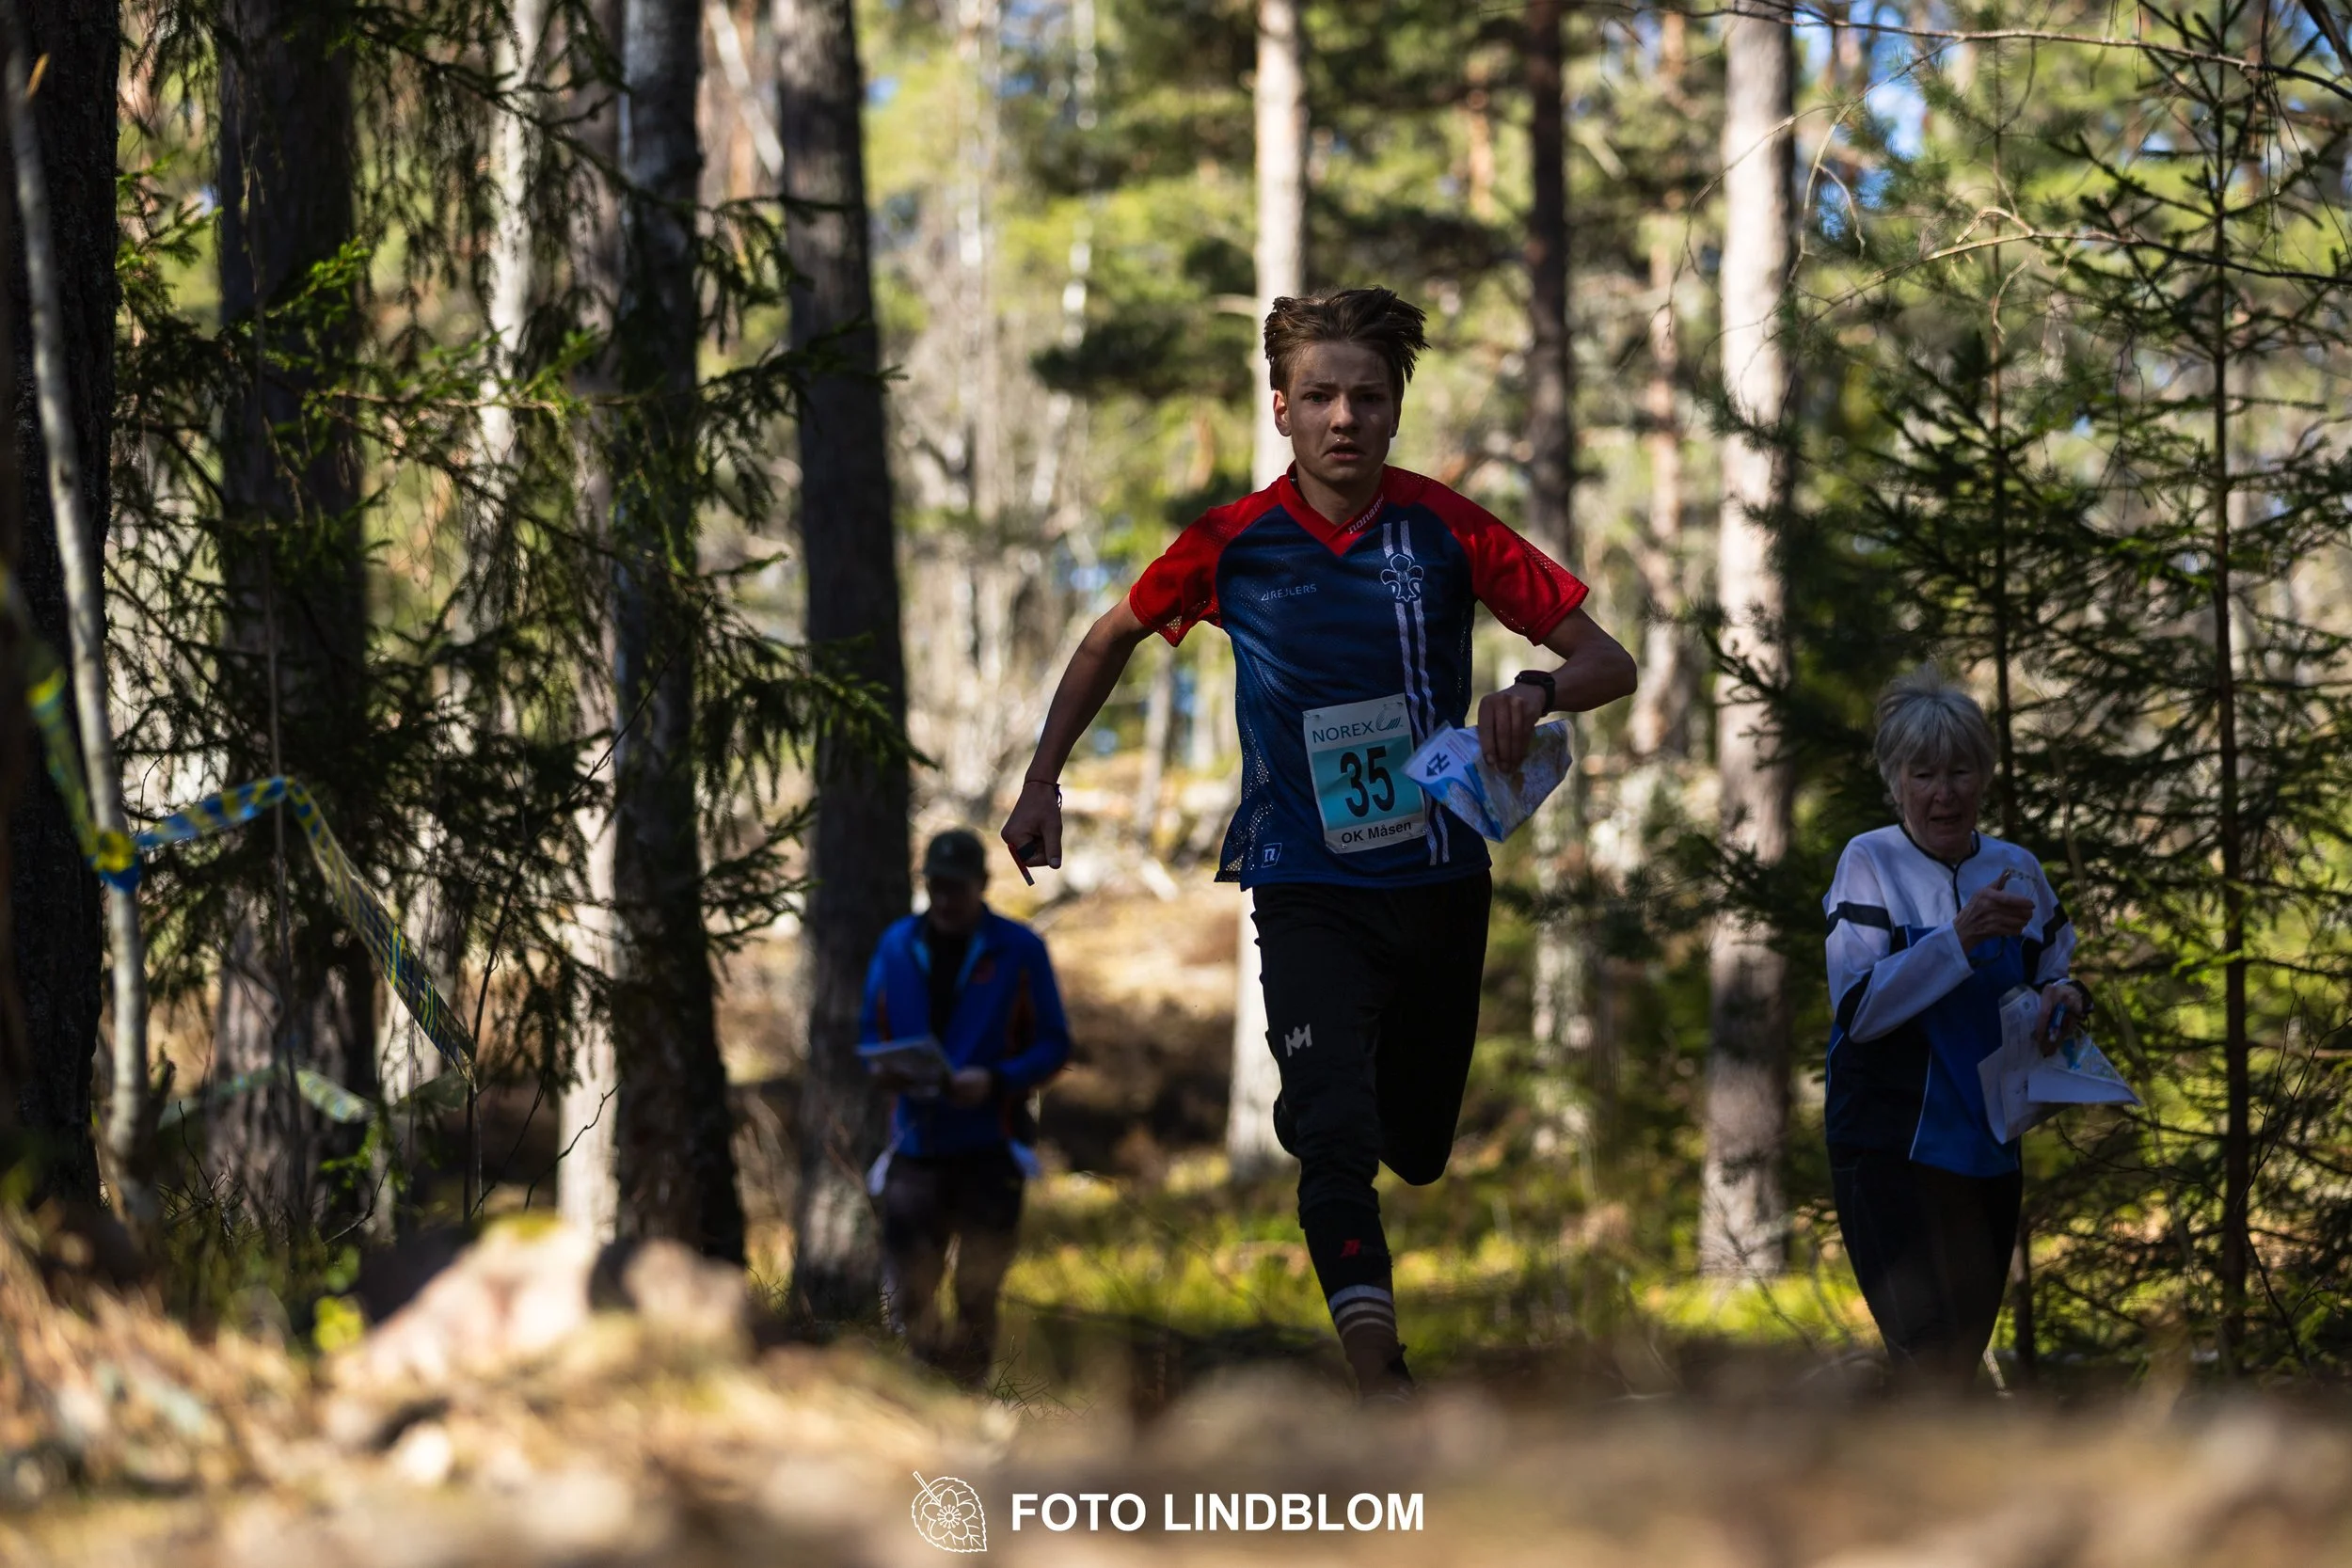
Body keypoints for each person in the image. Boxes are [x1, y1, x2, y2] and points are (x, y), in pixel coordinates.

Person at [998, 288, 1638, 1400]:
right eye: (1323, 396)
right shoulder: (1230, 543)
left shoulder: (1448, 527)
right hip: (1301, 874)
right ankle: (1376, 1365)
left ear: (1395, 412)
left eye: (1369, 397)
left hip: (1440, 874)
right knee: (1332, 1134)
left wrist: (1533, 689)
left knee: (1419, 1142)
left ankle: (1334, 1092)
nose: (1345, 417)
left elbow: (1607, 659)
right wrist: (1043, 776)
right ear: (1283, 408)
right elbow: (1110, 636)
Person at [1823, 667, 2090, 1390]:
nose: (1945, 792)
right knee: (1926, 1348)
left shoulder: (2017, 869)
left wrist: (2063, 996)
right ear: (1896, 782)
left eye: (1961, 771)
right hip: (1887, 1142)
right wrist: (1958, 937)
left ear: (1985, 778)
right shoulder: (1869, 862)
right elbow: (1858, 1010)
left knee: (1961, 1353)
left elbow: (2056, 968)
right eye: (1925, 773)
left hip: (1986, 1147)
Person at [863, 828, 1072, 1383]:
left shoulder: (1020, 950)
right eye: (936, 886)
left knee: (978, 1294)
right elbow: (870, 1035)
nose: (946, 898)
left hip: (992, 1146)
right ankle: (923, 1399)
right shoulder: (896, 946)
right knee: (909, 1290)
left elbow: (1055, 1044)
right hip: (916, 1146)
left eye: (957, 886)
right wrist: (886, 1070)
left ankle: (970, 1402)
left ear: (982, 884)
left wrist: (998, 1080)